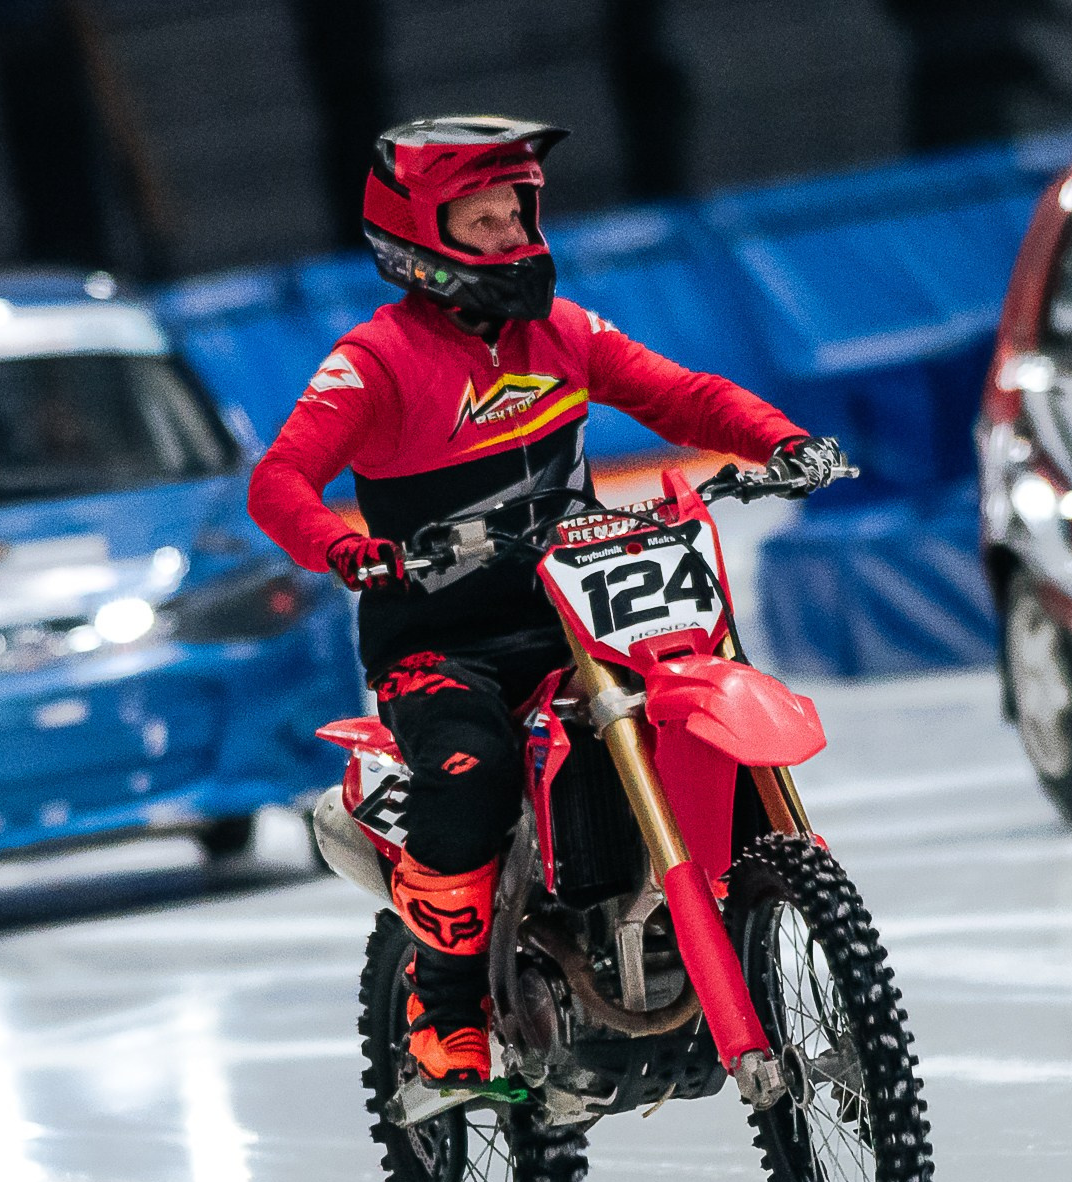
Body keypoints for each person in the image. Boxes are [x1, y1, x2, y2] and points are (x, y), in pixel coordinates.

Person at [248, 116, 847, 1084]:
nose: (509, 240)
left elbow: (681, 395)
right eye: (479, 222)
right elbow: (277, 484)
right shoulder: (375, 360)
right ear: (416, 236)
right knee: (471, 770)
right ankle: (445, 1013)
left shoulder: (561, 333)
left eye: (515, 214)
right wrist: (350, 550)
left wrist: (780, 440)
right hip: (442, 640)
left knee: (688, 707)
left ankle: (730, 927)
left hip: (583, 612)